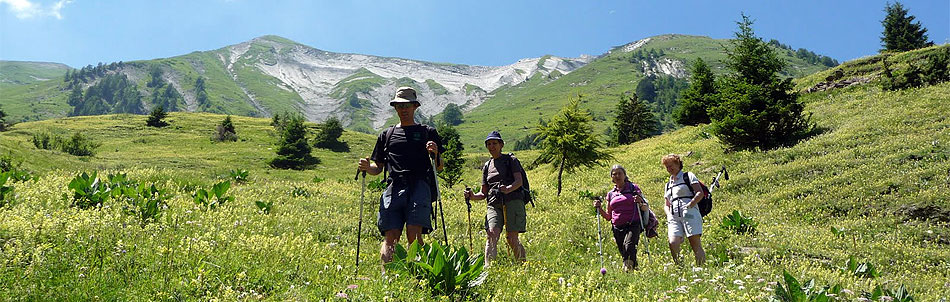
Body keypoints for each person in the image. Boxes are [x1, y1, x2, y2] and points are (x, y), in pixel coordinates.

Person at [357, 87, 444, 269]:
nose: (403, 109)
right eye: (399, 106)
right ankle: (388, 277)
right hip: (393, 186)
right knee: (390, 237)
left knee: (414, 235)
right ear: (395, 108)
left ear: (415, 107)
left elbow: (439, 167)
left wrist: (435, 154)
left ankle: (418, 274)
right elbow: (378, 168)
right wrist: (367, 167)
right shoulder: (386, 135)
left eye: (407, 106)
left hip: (420, 186)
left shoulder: (428, 132)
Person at [464, 131, 527, 266]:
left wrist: (508, 188)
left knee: (511, 238)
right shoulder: (487, 166)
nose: (492, 146)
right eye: (489, 144)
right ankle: (489, 270)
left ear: (501, 145)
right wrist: (472, 196)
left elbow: (519, 181)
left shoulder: (511, 160)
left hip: (512, 201)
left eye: (494, 143)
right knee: (491, 234)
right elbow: (483, 193)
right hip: (493, 203)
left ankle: (523, 266)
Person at [593, 164, 649, 271]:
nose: (617, 176)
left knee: (629, 246)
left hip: (633, 224)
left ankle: (627, 270)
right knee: (624, 251)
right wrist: (599, 209)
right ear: (612, 178)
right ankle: (633, 270)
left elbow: (645, 207)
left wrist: (640, 202)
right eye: (614, 174)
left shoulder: (633, 188)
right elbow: (609, 216)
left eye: (620, 173)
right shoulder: (610, 194)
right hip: (617, 227)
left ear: (624, 175)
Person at [661, 154, 705, 266]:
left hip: (689, 213)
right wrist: (668, 214)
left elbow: (699, 193)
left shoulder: (688, 176)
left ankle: (701, 267)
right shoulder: (668, 184)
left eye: (671, 166)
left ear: (678, 164)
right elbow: (667, 203)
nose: (669, 169)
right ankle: (679, 266)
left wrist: (690, 205)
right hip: (674, 216)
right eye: (667, 167)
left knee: (695, 243)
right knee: (673, 242)